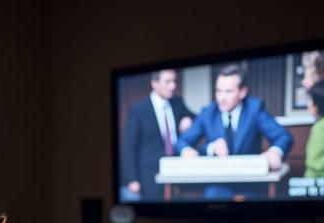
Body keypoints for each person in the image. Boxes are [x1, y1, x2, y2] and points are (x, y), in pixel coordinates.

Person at [176, 64, 293, 199]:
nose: (221, 97)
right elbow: (182, 141)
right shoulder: (208, 112)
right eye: (218, 91)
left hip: (251, 183)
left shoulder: (255, 109)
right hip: (218, 184)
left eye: (228, 91)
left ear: (242, 92)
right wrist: (204, 149)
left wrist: (275, 151)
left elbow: (284, 136)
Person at [123, 69, 194, 200]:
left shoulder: (177, 102)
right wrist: (132, 179)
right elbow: (130, 147)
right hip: (149, 175)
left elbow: (197, 119)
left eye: (174, 81)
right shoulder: (138, 109)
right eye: (168, 82)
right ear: (155, 84)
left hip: (176, 170)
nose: (173, 86)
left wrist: (188, 119)